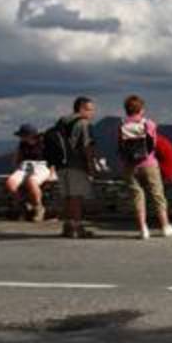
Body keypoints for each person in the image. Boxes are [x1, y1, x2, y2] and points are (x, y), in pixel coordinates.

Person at [118, 94, 172, 240]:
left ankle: (143, 229)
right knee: (158, 195)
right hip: (149, 163)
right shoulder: (149, 124)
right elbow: (154, 144)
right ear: (141, 109)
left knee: (137, 196)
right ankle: (165, 226)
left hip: (130, 166)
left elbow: (120, 147)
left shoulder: (121, 126)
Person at [57, 96, 97, 239]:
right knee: (76, 197)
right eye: (90, 109)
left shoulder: (62, 121)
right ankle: (77, 228)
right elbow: (87, 146)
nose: (92, 113)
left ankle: (67, 227)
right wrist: (91, 166)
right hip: (76, 165)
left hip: (60, 164)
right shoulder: (83, 124)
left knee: (67, 197)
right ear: (81, 109)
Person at [4, 123, 55, 222]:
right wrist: (16, 170)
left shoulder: (44, 143)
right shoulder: (22, 145)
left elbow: (53, 158)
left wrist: (51, 173)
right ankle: (24, 206)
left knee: (31, 181)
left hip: (42, 166)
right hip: (24, 166)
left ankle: (38, 207)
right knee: (10, 183)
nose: (21, 138)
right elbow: (17, 158)